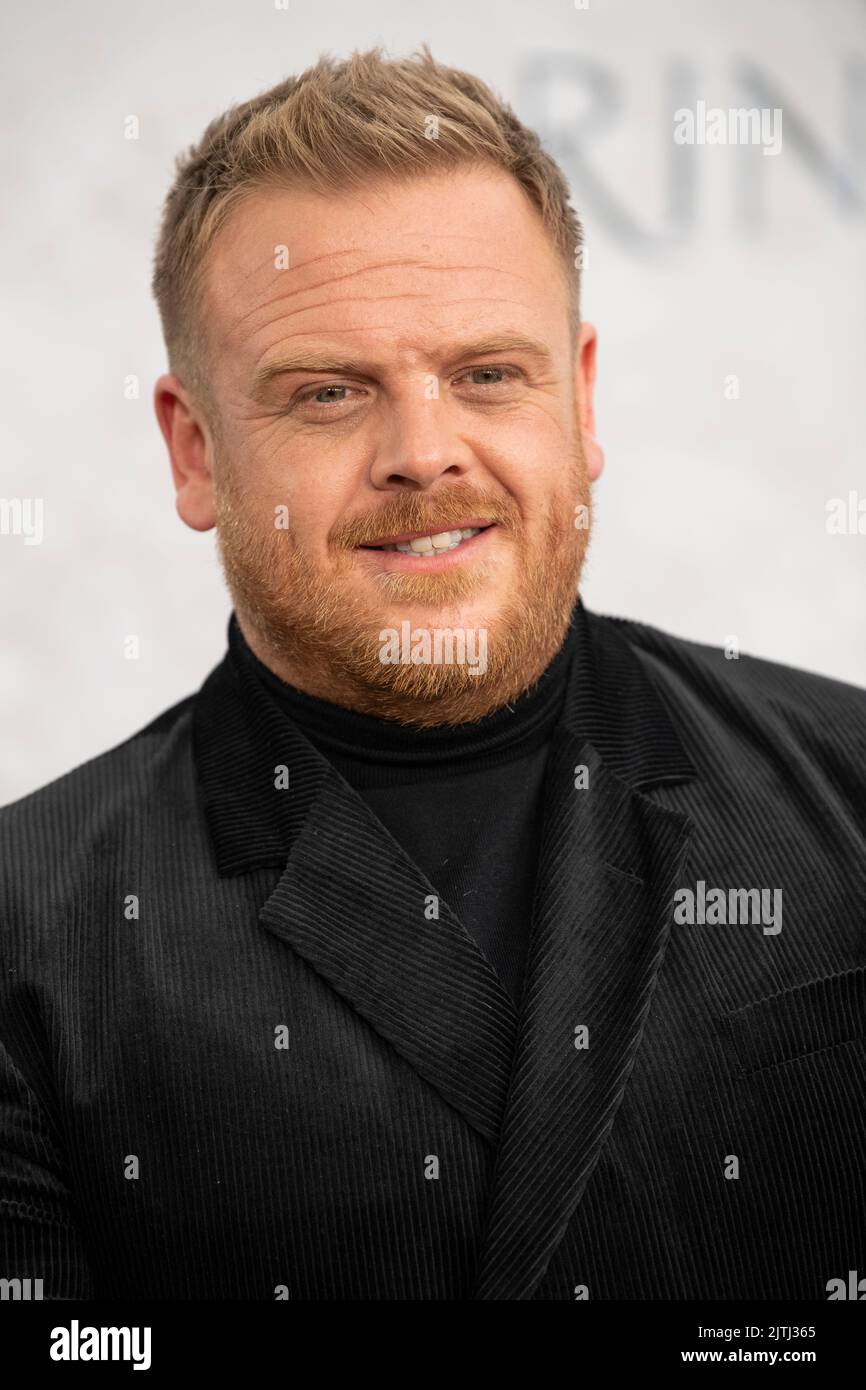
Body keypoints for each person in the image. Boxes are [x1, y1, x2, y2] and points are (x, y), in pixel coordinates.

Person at [1, 46, 864, 1302]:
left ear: (574, 396)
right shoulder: (26, 938)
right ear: (195, 452)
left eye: (484, 375)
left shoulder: (849, 793)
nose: (423, 452)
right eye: (329, 392)